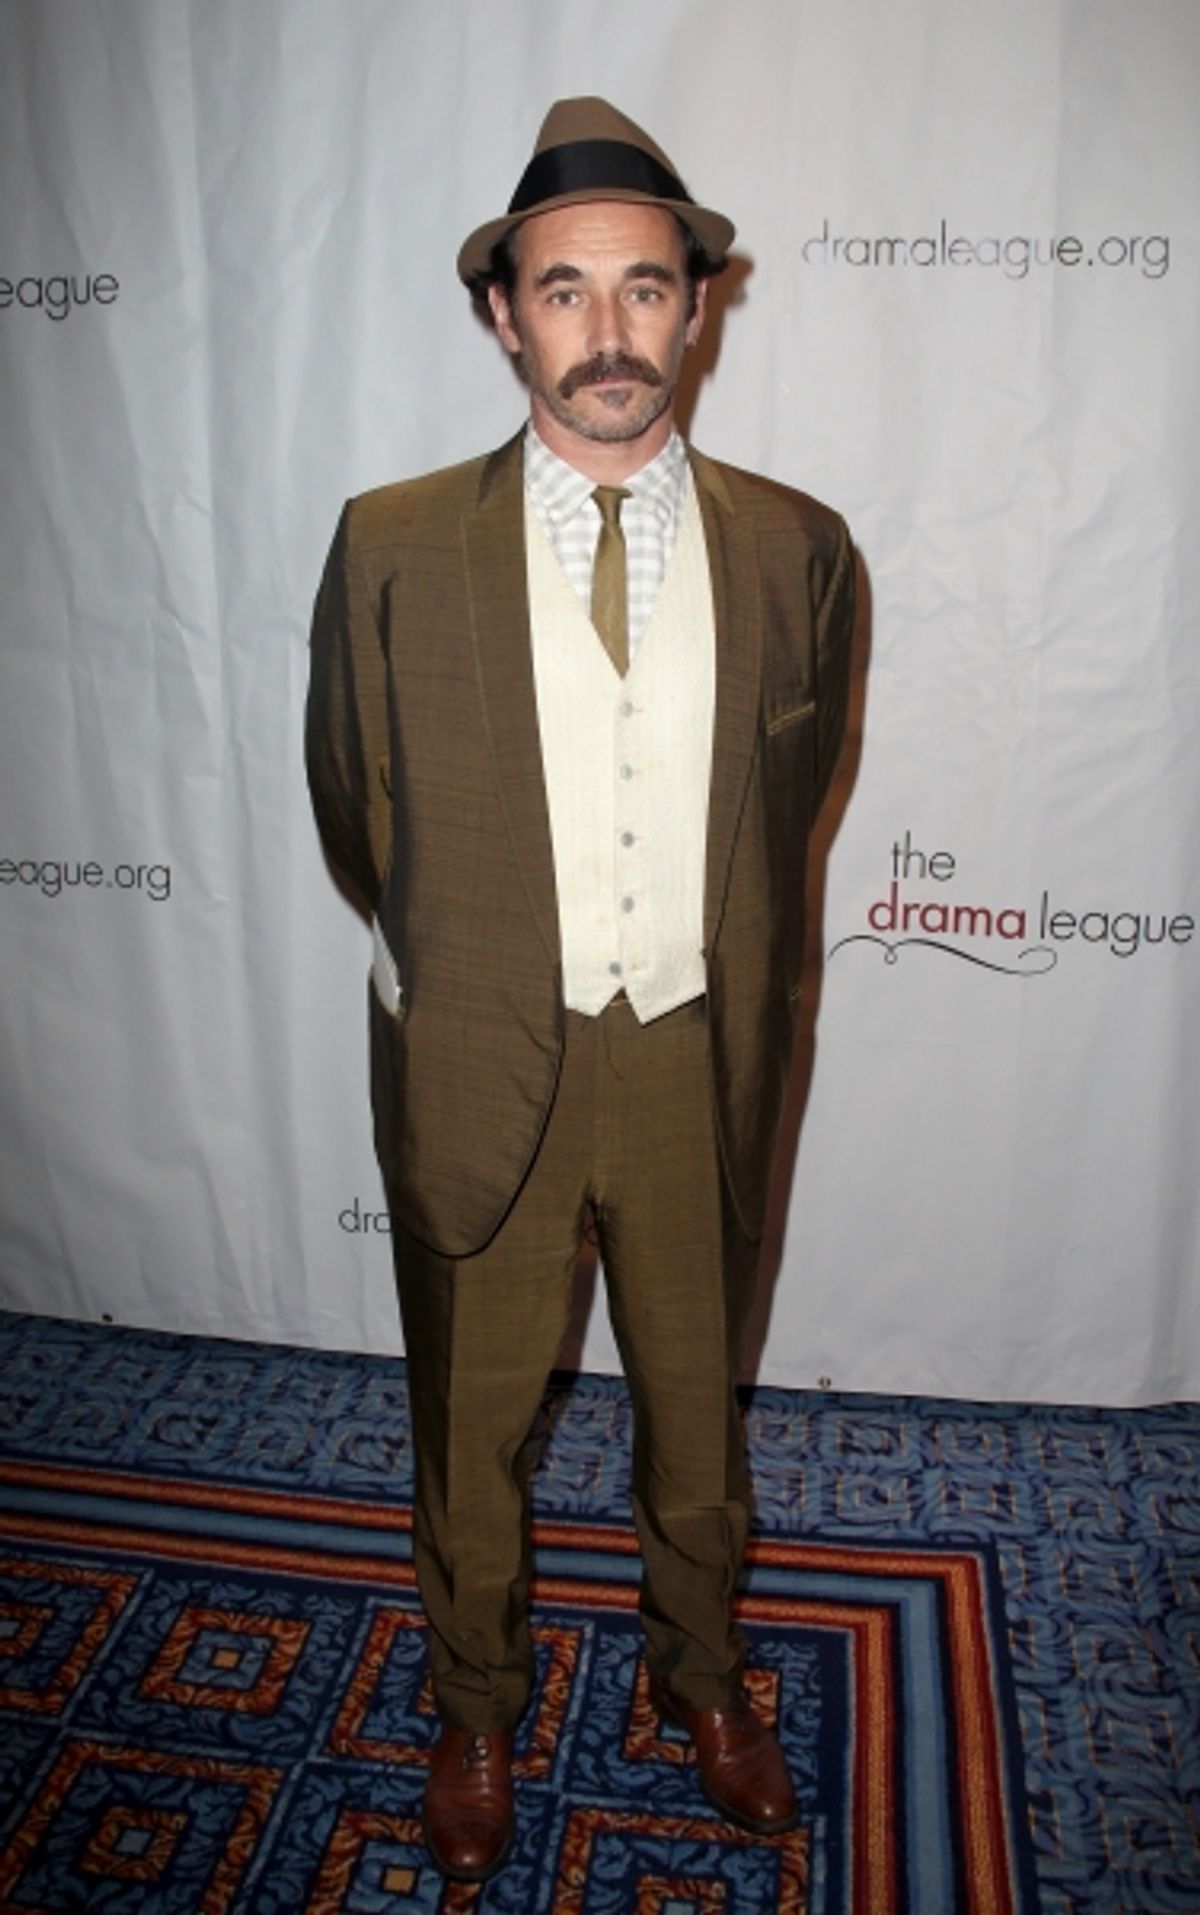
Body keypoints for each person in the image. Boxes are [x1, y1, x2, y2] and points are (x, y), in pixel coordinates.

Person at [306, 95, 855, 1883]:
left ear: (697, 306)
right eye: (563, 291)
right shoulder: (389, 544)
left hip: (695, 1057)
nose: (607, 332)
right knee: (468, 1429)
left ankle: (706, 1678)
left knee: (698, 1416)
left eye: (643, 288)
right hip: (483, 1063)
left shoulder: (800, 550)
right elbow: (355, 805)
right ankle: (475, 1699)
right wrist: (476, 966)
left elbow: (790, 805)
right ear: (502, 316)